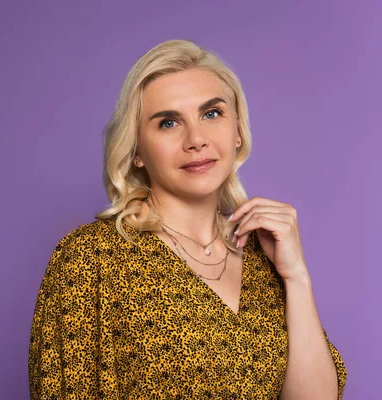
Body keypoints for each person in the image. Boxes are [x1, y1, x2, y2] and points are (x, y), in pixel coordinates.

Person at [28, 39, 348, 399]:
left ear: (238, 131)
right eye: (168, 123)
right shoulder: (91, 258)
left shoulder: (263, 252)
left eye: (211, 114)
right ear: (136, 152)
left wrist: (297, 278)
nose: (196, 139)